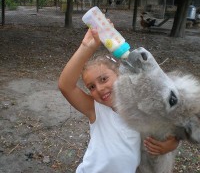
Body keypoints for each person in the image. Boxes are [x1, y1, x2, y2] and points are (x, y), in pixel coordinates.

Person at [58, 28, 179, 173]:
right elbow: (65, 86)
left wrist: (172, 144)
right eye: (91, 87)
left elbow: (170, 121)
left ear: (119, 75)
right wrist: (86, 47)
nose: (99, 89)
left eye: (103, 79)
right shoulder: (96, 110)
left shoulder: (141, 108)